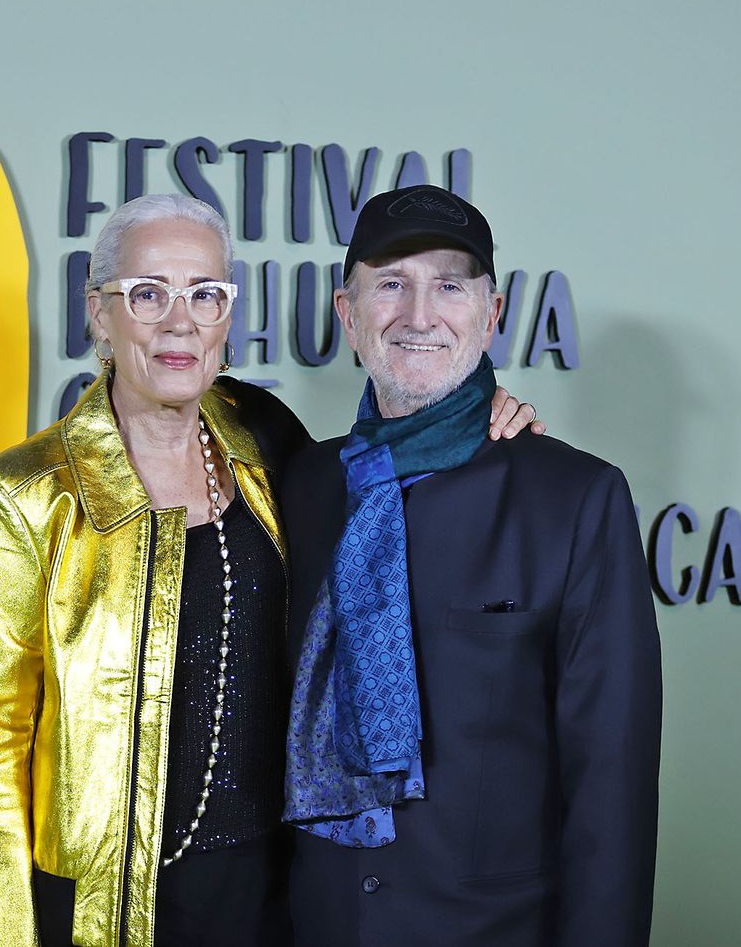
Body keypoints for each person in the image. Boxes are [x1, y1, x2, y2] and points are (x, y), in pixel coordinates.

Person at [0, 193, 539, 947]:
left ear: (226, 316)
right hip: (105, 903)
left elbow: (383, 481)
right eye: (147, 294)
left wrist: (480, 412)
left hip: (273, 894)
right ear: (99, 313)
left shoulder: (268, 439)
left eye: (205, 294)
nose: (179, 322)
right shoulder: (24, 493)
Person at [281, 184, 663, 947]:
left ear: (491, 316)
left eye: (450, 286)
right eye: (391, 284)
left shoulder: (575, 498)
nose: (419, 315)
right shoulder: (298, 485)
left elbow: (611, 785)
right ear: (348, 314)